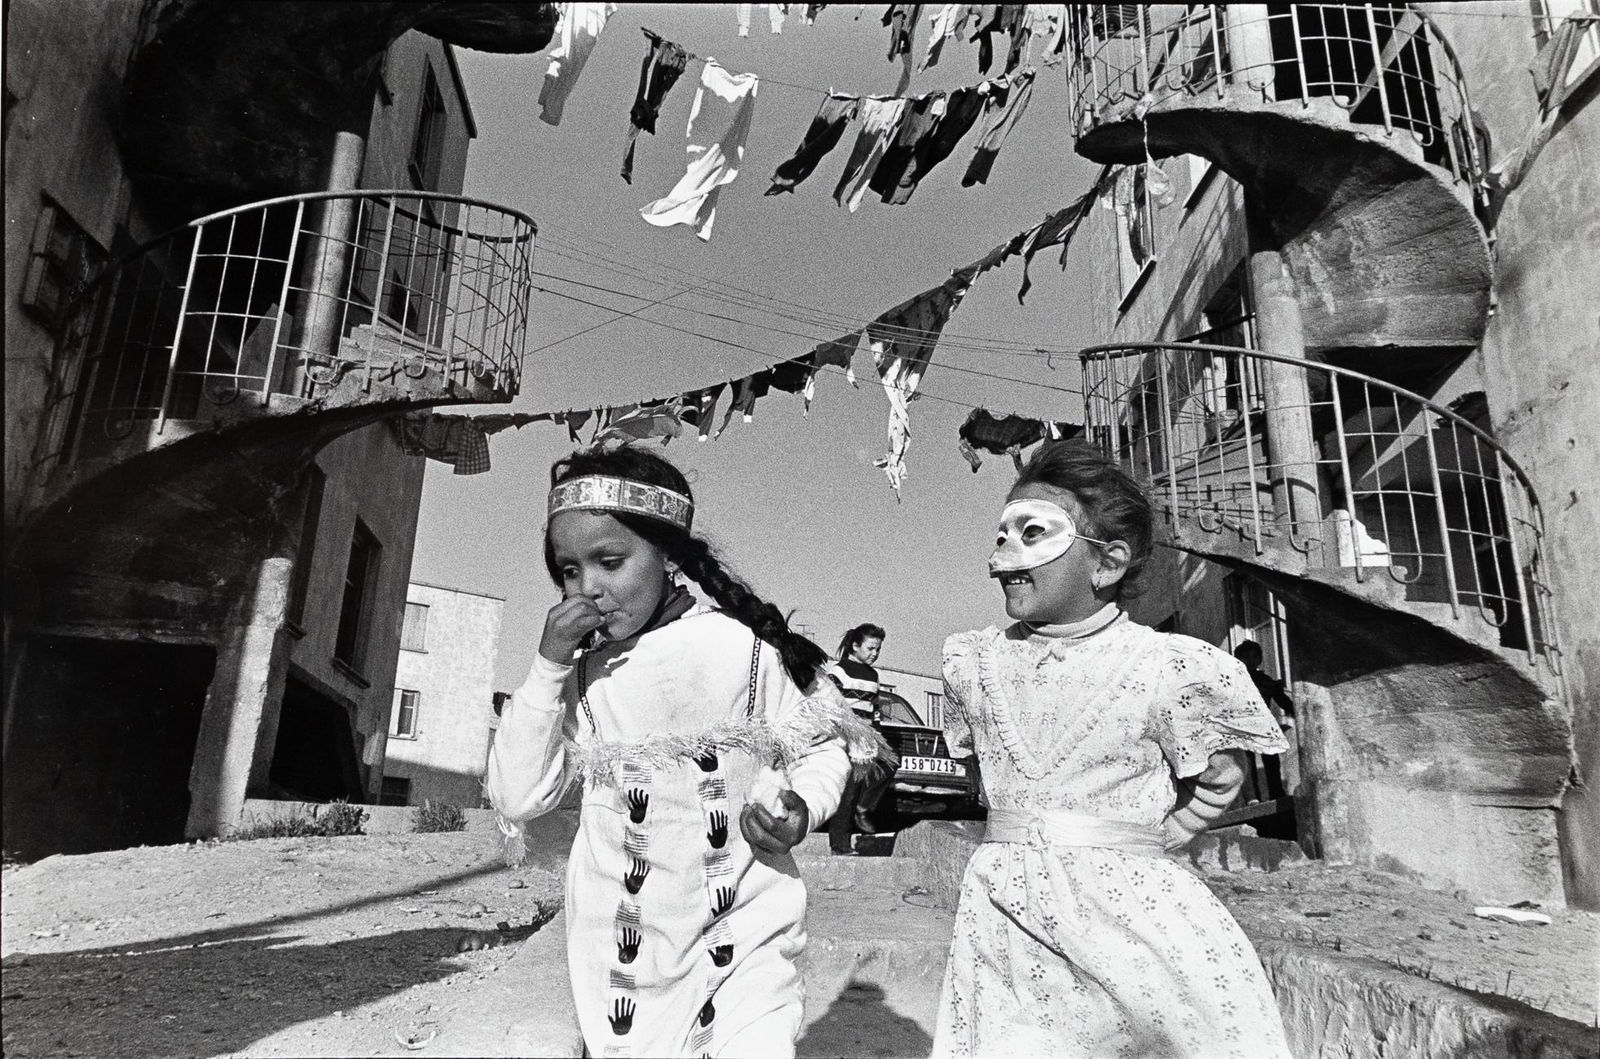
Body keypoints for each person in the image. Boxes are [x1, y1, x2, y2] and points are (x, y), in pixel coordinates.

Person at [487, 444, 885, 1058]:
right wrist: (545, 668)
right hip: (624, 959)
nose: (588, 587)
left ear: (668, 553)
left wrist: (801, 807)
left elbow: (825, 746)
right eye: (569, 570)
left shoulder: (745, 649)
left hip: (747, 939)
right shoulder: (583, 677)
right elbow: (518, 796)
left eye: (610, 561)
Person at [932, 439, 1293, 1058]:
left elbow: (1220, 780)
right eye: (1001, 534)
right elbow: (986, 765)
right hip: (1005, 913)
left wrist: (1159, 834)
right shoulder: (975, 662)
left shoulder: (1169, 667)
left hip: (1129, 911)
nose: (1005, 552)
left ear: (1107, 564)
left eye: (1034, 533)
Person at [824, 624, 893, 853]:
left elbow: (874, 710)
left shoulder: (874, 676)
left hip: (866, 737)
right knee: (848, 791)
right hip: (842, 737)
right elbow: (828, 705)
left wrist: (875, 734)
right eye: (871, 648)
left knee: (890, 763)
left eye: (878, 650)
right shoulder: (839, 671)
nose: (874, 654)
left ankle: (864, 808)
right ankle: (839, 844)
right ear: (855, 646)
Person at [1234, 640, 1297, 800]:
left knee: (1271, 759)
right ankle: (1252, 798)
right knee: (1247, 762)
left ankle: (1276, 792)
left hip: (1263, 725)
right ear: (1238, 659)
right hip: (1243, 725)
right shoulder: (1234, 679)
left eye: (1255, 656)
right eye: (1245, 657)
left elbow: (1282, 700)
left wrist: (1297, 710)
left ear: (1260, 659)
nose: (1251, 661)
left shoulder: (1265, 680)